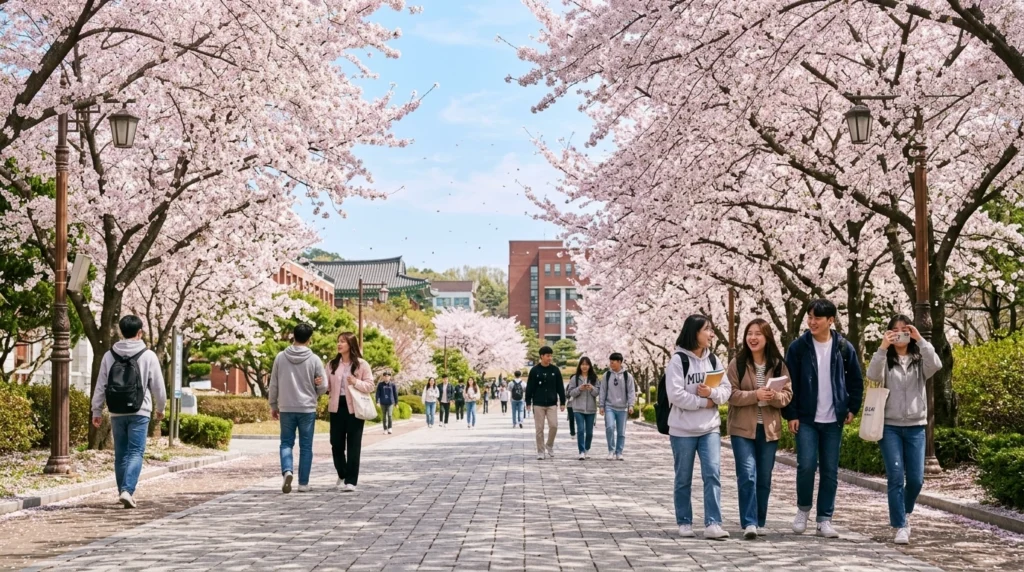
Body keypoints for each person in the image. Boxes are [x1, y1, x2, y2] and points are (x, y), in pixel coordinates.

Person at [782, 299, 864, 539]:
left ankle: (824, 519)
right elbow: (790, 382)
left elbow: (856, 381)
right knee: (806, 465)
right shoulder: (798, 347)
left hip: (833, 419)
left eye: (817, 317)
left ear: (831, 320)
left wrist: (851, 408)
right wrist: (792, 414)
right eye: (810, 316)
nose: (812, 322)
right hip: (807, 419)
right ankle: (803, 510)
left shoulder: (843, 347)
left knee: (830, 470)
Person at [867, 315, 942, 546]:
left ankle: (904, 511)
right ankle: (900, 525)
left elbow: (937, 365)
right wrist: (882, 347)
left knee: (917, 479)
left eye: (904, 329)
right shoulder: (885, 360)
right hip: (889, 426)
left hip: (916, 427)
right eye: (894, 330)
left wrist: (921, 340)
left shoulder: (920, 360)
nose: (899, 333)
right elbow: (872, 376)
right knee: (896, 477)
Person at [666, 314, 733, 540]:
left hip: (710, 429)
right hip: (682, 430)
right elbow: (676, 395)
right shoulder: (678, 360)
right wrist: (705, 402)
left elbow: (726, 389)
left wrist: (712, 394)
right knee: (683, 477)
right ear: (695, 332)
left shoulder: (713, 359)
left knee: (712, 474)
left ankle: (713, 523)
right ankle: (684, 522)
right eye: (707, 329)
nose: (711, 334)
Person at [90, 315, 166, 509]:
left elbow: (101, 384)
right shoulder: (148, 355)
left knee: (121, 453)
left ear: (122, 332)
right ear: (139, 332)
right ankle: (127, 490)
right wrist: (161, 408)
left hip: (116, 411)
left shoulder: (109, 355)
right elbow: (158, 385)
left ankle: (123, 490)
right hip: (140, 410)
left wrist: (96, 410)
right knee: (136, 452)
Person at [727, 319, 793, 539]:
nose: (752, 338)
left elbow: (787, 396)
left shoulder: (778, 364)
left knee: (764, 477)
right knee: (747, 475)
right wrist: (755, 395)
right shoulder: (737, 363)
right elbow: (730, 394)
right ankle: (749, 523)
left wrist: (773, 396)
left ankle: (759, 520)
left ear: (767, 338)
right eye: (749, 333)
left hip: (769, 429)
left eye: (758, 334)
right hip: (741, 429)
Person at [269, 323, 327, 494]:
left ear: (293, 336)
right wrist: (316, 389)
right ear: (310, 339)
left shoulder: (280, 357)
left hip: (286, 407)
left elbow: (273, 383)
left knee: (286, 443)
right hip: (307, 408)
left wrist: (273, 404)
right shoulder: (314, 359)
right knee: (306, 446)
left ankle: (287, 471)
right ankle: (303, 484)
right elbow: (324, 385)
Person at [327, 331, 375, 492]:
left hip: (355, 409)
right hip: (336, 408)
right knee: (336, 444)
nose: (339, 344)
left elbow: (370, 386)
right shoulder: (332, 364)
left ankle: (351, 481)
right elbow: (326, 387)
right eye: (338, 341)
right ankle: (342, 472)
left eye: (343, 341)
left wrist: (355, 382)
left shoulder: (362, 364)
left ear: (351, 345)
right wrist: (318, 383)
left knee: (354, 445)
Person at [526, 346, 566, 460]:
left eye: (551, 355)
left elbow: (560, 387)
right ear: (541, 356)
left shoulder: (555, 370)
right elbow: (530, 387)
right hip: (538, 403)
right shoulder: (534, 370)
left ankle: (549, 445)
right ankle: (540, 451)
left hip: (552, 403)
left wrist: (563, 401)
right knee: (539, 429)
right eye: (548, 355)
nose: (550, 358)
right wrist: (528, 401)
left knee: (554, 425)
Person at [599, 352, 637, 461]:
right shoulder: (607, 375)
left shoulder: (627, 376)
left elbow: (631, 392)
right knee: (610, 428)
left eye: (613, 362)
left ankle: (619, 452)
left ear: (620, 362)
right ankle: (611, 450)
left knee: (621, 432)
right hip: (609, 406)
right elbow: (603, 390)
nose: (611, 364)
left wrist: (631, 405)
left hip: (623, 408)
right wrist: (601, 405)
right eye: (610, 362)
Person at [567, 356, 600, 460]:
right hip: (578, 408)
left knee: (589, 432)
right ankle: (581, 451)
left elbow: (597, 393)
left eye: (586, 364)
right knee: (580, 430)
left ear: (589, 366)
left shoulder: (594, 378)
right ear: (579, 366)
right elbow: (570, 393)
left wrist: (591, 388)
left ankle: (587, 449)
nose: (584, 366)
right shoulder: (574, 378)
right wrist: (579, 388)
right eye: (582, 364)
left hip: (591, 408)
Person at [375, 371, 399, 435]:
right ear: (383, 377)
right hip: (383, 402)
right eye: (385, 376)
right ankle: (385, 429)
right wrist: (377, 401)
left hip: (390, 402)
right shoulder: (380, 385)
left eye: (388, 376)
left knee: (390, 415)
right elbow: (377, 394)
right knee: (384, 416)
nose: (386, 377)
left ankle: (390, 428)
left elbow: (395, 394)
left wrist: (396, 403)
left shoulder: (393, 385)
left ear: (390, 377)